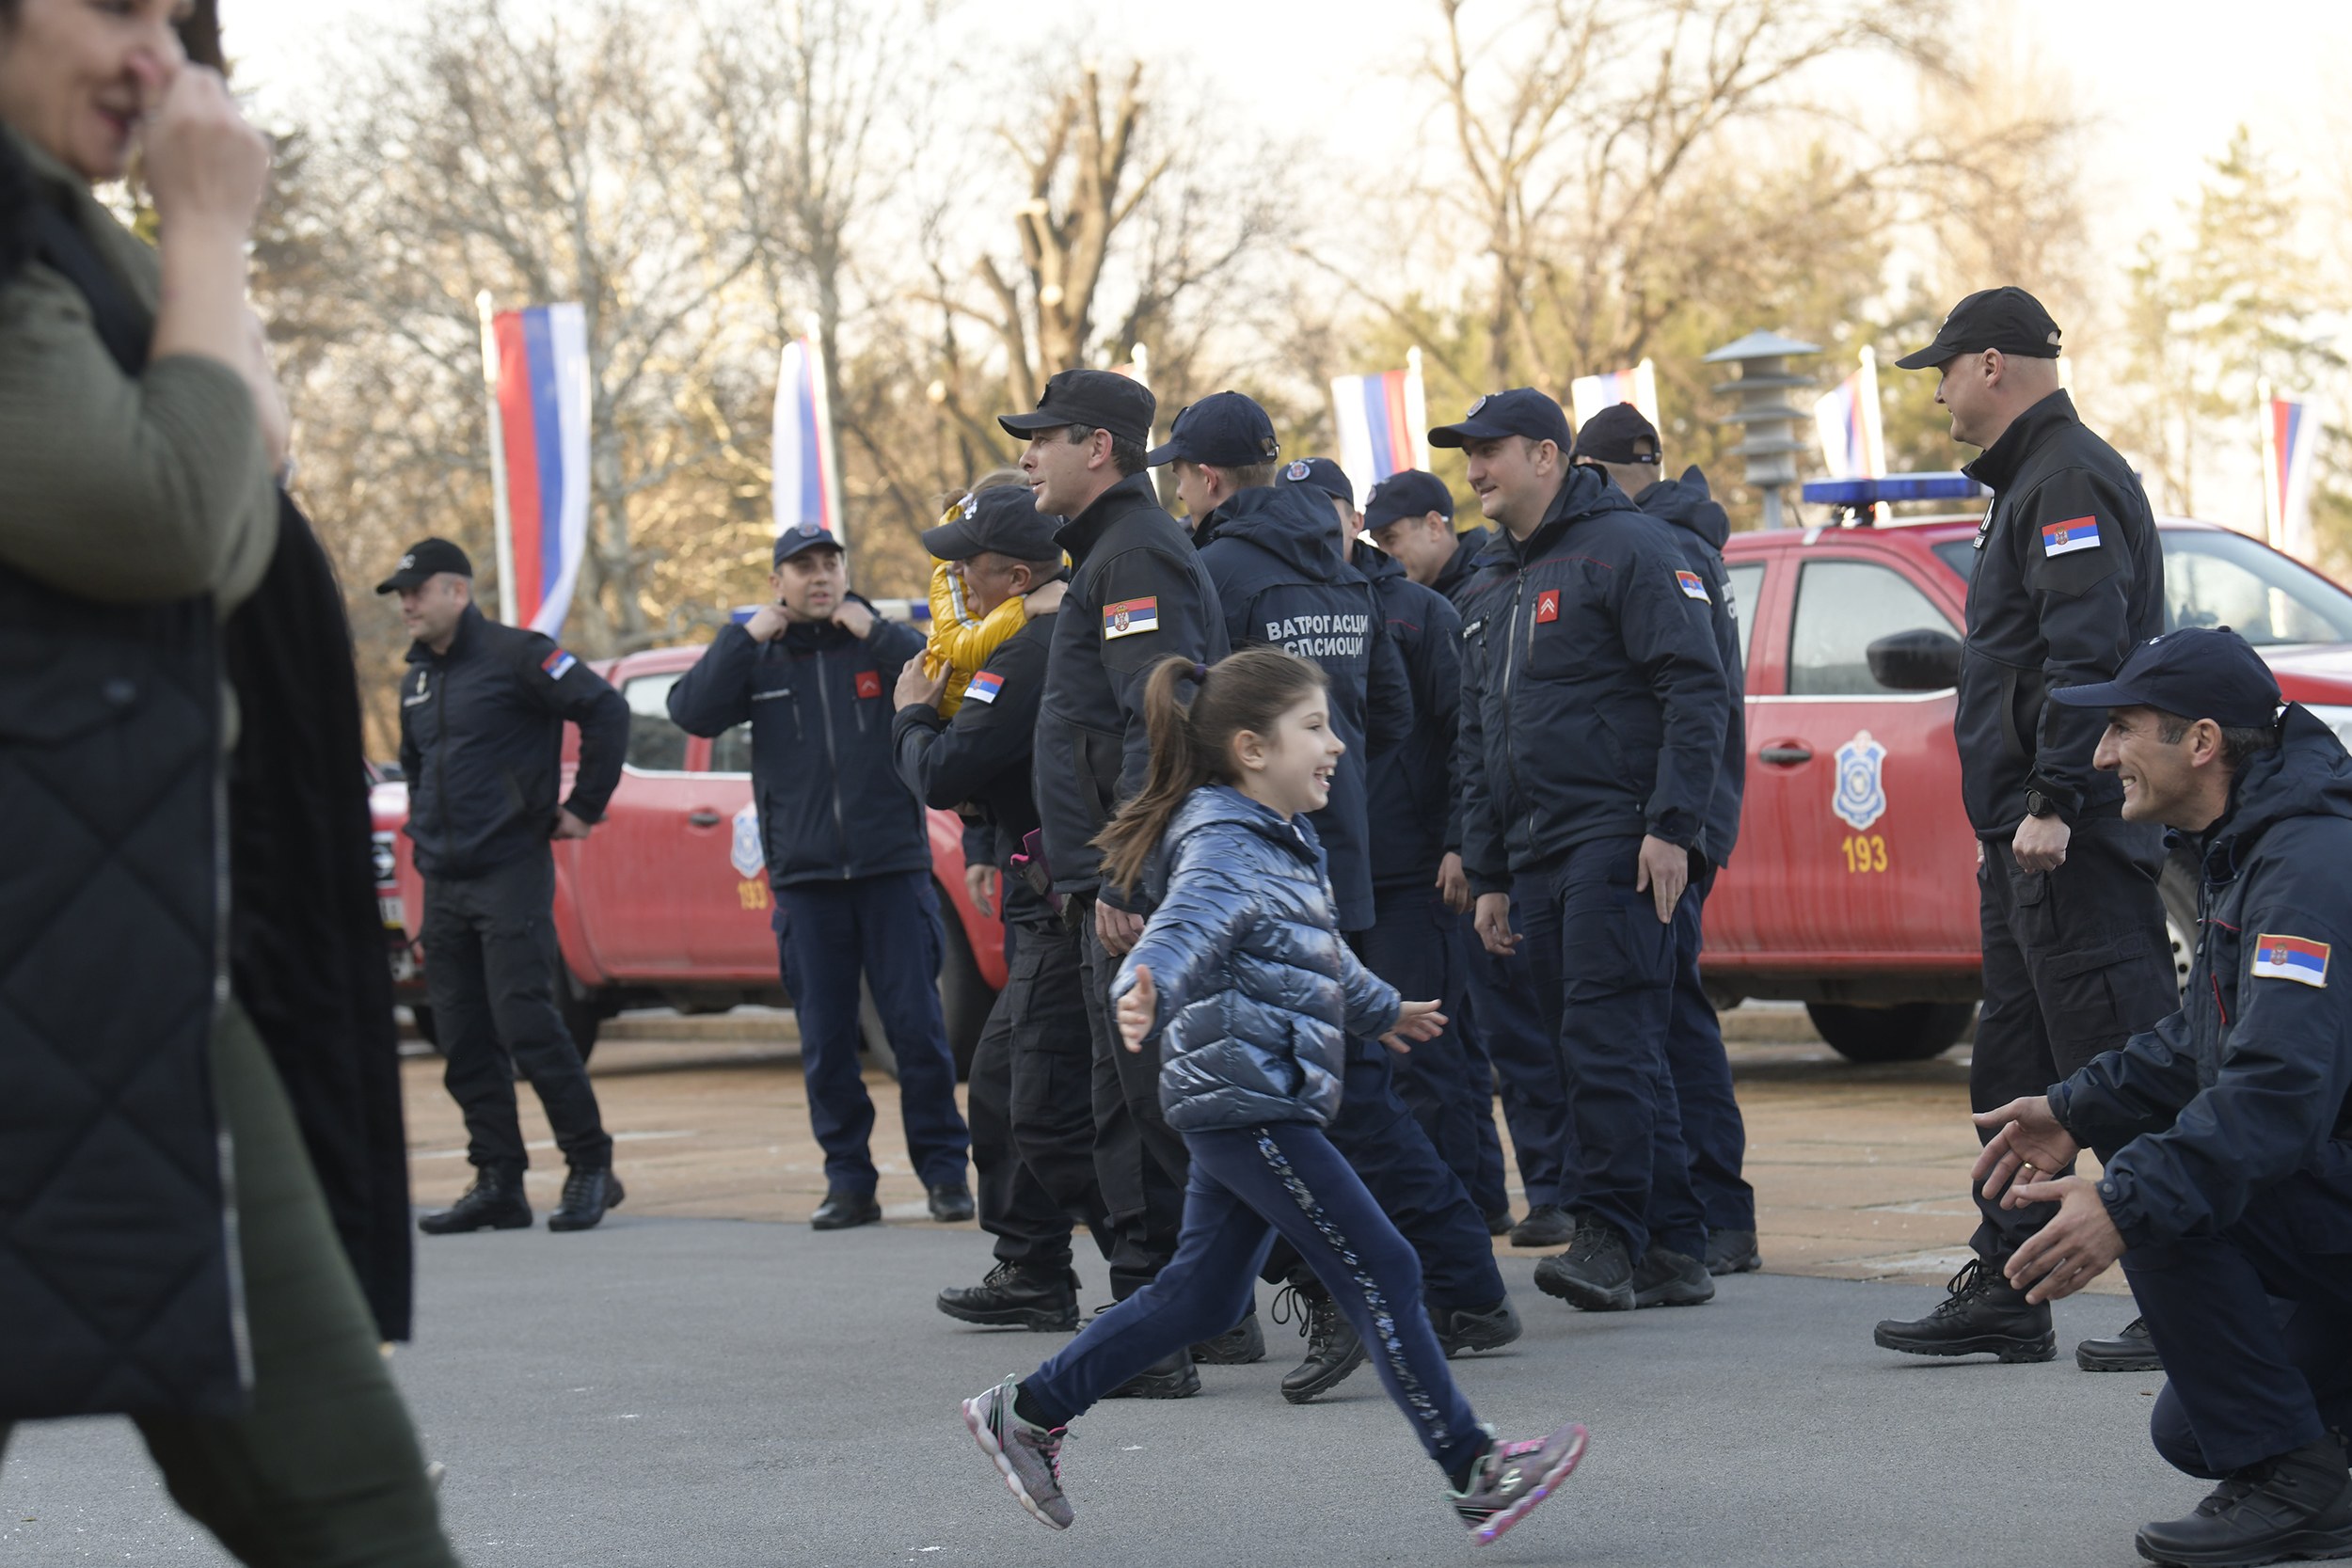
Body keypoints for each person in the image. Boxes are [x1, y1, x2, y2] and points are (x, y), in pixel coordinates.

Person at [1, 2, 455, 1558]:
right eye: (115, 8)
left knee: (354, 1502)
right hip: (75, 943)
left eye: (177, 22)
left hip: (123, 966)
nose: (157, 55)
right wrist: (204, 232)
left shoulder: (70, 243)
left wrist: (197, 292)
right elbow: (173, 512)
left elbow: (229, 510)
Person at [960, 648, 1588, 1544]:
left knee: (1205, 1299)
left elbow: (1312, 956)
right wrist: (1146, 979)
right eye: (1314, 727)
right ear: (1252, 748)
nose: (1335, 744)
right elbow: (1182, 930)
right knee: (1389, 1267)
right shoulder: (1224, 842)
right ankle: (1474, 1468)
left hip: (1259, 1095)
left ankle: (1025, 1411)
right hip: (1245, 1101)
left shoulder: (1277, 839)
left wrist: (1380, 1010)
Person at [1971, 627, 2352, 1567]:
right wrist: (2073, 1105)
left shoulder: (2304, 871)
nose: (2100, 756)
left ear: (2201, 741)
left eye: (2121, 730)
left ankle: (2302, 1487)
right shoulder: (2250, 841)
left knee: (2153, 1193)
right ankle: (2305, 1458)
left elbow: (2274, 1094)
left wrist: (2122, 1199)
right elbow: (2200, 1038)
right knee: (2195, 1429)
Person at [1872, 287, 2175, 1371]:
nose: (1940, 394)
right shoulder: (2029, 483)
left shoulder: (2066, 478)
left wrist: (2054, 795)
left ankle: (2190, 1281)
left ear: (1991, 363)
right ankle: (2009, 1282)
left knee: (2122, 1058)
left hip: (2069, 832)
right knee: (2015, 1066)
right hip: (2020, 834)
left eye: (1943, 372)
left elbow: (2084, 652)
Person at [1440, 388, 1730, 1313]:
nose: (1475, 470)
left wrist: (1672, 825)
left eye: (1489, 452)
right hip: (1533, 852)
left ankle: (1606, 1232)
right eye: (1468, 454)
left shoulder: (1631, 549)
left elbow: (1695, 690)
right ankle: (1675, 1245)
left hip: (1619, 837)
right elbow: (1478, 739)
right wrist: (1486, 871)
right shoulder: (1489, 580)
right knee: (1597, 1045)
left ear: (1547, 456)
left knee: (1606, 1039)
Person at [1006, 369, 1231, 1397]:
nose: (1025, 456)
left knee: (1141, 1107)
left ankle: (1164, 1324)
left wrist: (1125, 871)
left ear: (1097, 446)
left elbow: (1162, 718)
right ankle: (1190, 1307)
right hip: (1104, 871)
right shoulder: (1105, 552)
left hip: (1130, 877)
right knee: (1125, 1102)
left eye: (1040, 438)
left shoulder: (1135, 551)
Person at [667, 521, 973, 1229]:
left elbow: (944, 679)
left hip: (891, 869)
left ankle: (944, 1175)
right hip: (805, 881)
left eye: (830, 563)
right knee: (827, 1038)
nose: (820, 576)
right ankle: (848, 1180)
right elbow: (691, 710)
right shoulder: (760, 659)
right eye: (802, 566)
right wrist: (743, 637)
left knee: (918, 1032)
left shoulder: (879, 644)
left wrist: (876, 631)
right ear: (777, 582)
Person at [896, 484, 1111, 1330]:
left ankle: (1175, 1267)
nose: (958, 584)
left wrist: (911, 718)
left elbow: (946, 771)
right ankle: (1034, 1265)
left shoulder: (1029, 647)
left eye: (968, 568)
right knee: (1006, 1086)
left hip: (1067, 898)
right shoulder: (1022, 636)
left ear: (1014, 574)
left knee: (1053, 1105)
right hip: (1043, 888)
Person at [384, 538, 631, 1234]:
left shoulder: (519, 654)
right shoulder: (417, 680)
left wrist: (583, 805)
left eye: (416, 589)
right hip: (444, 878)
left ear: (456, 591)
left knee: (527, 1022)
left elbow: (605, 710)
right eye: (400, 592)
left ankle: (591, 1165)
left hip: (509, 869)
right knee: (460, 1033)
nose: (405, 602)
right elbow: (416, 766)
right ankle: (498, 1177)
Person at [1570, 404, 1758, 1275]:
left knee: (1674, 1017)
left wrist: (1676, 822)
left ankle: (1715, 1213)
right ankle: (1708, 1213)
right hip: (1688, 810)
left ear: (1592, 470)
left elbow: (1691, 692)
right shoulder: (1688, 538)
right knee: (1675, 1009)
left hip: (1672, 818)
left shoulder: (1656, 546)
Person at [1367, 469, 1573, 1247]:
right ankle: (1501, 1189)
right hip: (1480, 846)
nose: (1387, 555)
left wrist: (1464, 842)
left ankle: (1553, 1185)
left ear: (1433, 524)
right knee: (1476, 1034)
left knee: (1520, 1029)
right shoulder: (1457, 595)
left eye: (1392, 539)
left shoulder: (1468, 599)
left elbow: (1468, 739)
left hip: (1495, 848)